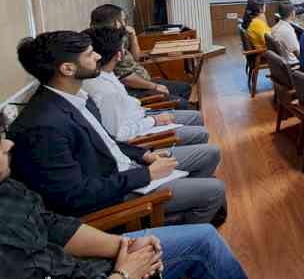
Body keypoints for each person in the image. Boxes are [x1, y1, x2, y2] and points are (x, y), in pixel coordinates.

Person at [10, 31, 226, 225]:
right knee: (214, 191)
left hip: (128, 168)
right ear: (67, 69)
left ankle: (179, 206)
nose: (97, 57)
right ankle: (167, 232)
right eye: (89, 54)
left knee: (210, 154)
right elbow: (74, 196)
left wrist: (145, 156)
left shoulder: (75, 98)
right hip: (117, 193)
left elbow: (108, 142)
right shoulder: (43, 126)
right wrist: (145, 175)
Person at [0, 112, 248, 279]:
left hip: (89, 259)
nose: (8, 145)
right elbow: (75, 196)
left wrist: (122, 245)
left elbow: (54, 225)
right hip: (107, 271)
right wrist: (125, 274)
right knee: (206, 228)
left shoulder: (7, 187)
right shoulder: (47, 122)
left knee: (205, 236)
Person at [81, 26, 209, 145]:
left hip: (141, 114)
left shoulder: (104, 74)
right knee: (202, 135)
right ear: (119, 54)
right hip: (141, 130)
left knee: (196, 115)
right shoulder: (106, 91)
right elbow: (118, 135)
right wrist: (154, 120)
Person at [90, 5, 192, 109]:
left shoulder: (119, 37)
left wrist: (133, 37)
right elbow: (126, 78)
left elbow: (136, 58)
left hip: (144, 82)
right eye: (123, 20)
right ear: (115, 22)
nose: (125, 24)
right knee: (181, 103)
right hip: (134, 89)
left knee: (185, 88)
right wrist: (154, 86)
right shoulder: (105, 44)